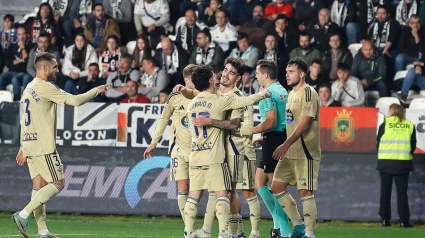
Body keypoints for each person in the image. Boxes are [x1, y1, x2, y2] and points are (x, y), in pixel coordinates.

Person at [11, 52, 110, 238]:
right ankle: (22, 214)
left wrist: (22, 146)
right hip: (43, 147)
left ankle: (42, 231)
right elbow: (75, 101)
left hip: (30, 145)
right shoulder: (45, 87)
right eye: (55, 67)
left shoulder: (28, 88)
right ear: (44, 68)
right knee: (58, 183)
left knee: (38, 187)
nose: (57, 70)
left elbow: (24, 120)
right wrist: (96, 90)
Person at [181, 64, 270, 238]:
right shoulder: (218, 100)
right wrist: (262, 94)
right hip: (214, 155)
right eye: (213, 76)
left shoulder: (190, 106)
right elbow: (244, 101)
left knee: (193, 196)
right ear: (210, 80)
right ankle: (224, 233)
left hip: (196, 154)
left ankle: (188, 232)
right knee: (223, 193)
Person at [271, 58, 321, 238]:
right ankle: (298, 225)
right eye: (286, 71)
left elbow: (305, 124)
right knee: (276, 187)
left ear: (302, 74)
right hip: (290, 151)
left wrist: (285, 143)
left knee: (305, 191)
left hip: (305, 151)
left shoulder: (309, 93)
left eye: (291, 71)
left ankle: (309, 233)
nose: (287, 74)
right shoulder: (291, 93)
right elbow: (291, 123)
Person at [144, 65, 197, 234]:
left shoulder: (204, 96)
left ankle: (206, 229)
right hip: (179, 150)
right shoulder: (175, 96)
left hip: (199, 150)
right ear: (186, 79)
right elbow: (163, 119)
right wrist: (154, 142)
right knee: (183, 188)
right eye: (192, 78)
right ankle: (188, 230)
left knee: (202, 191)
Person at [252, 60, 290, 238]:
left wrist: (250, 131)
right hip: (276, 137)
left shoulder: (267, 93)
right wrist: (264, 136)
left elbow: (270, 121)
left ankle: (284, 229)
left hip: (274, 139)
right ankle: (277, 224)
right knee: (259, 183)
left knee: (276, 187)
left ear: (265, 75)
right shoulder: (282, 90)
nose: (256, 76)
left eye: (258, 73)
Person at [377, 103, 416, 228]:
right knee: (402, 193)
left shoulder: (385, 124)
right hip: (403, 162)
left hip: (385, 162)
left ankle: (385, 220)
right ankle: (404, 221)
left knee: (385, 192)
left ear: (391, 112)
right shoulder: (409, 125)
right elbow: (412, 145)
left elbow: (378, 142)